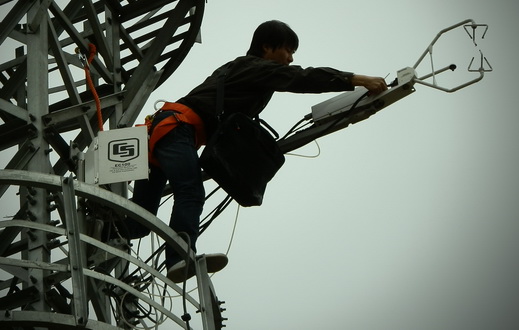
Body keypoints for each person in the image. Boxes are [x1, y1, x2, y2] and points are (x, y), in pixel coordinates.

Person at [122, 20, 388, 283]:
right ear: (267, 47)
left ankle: (104, 230)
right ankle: (180, 258)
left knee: (138, 221)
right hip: (176, 129)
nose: (290, 58)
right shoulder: (256, 67)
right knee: (190, 191)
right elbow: (300, 77)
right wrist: (355, 79)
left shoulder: (241, 69)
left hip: (165, 134)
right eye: (287, 50)